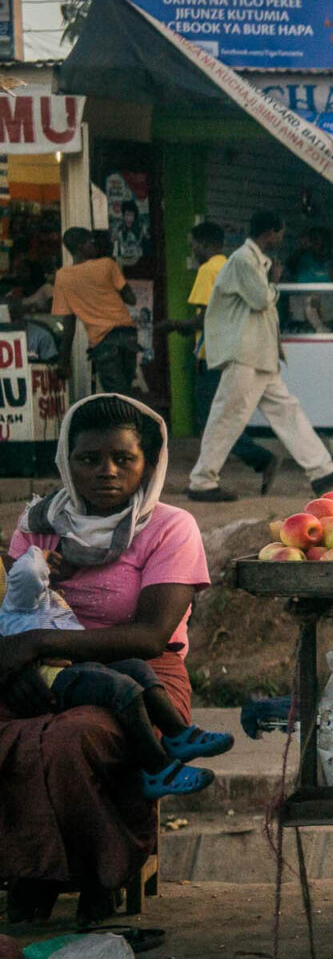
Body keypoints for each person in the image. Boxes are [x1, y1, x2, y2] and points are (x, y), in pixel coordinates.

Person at [0, 394, 214, 923]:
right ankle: (31, 871)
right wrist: (22, 667)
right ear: (66, 462)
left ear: (149, 463)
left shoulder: (170, 527)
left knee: (75, 738)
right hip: (44, 670)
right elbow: (13, 608)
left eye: (124, 459)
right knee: (16, 733)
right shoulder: (37, 524)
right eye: (89, 459)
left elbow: (148, 636)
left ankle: (99, 873)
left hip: (142, 681)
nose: (107, 472)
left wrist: (39, 646)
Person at [186, 211, 333, 503]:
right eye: (280, 234)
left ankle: (323, 470)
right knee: (226, 418)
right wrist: (274, 280)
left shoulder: (251, 260)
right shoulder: (243, 260)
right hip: (246, 354)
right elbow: (261, 299)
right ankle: (201, 482)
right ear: (271, 232)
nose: (281, 239)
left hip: (259, 355)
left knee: (287, 412)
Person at [162, 222, 278, 490]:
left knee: (215, 419)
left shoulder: (207, 270)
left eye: (194, 246)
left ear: (204, 245)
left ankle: (252, 461)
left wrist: (173, 326)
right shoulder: (232, 265)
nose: (194, 251)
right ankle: (213, 474)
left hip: (210, 355)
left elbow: (204, 318)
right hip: (230, 352)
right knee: (225, 415)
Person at [52, 227, 140, 395]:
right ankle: (131, 420)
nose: (95, 246)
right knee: (126, 391)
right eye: (91, 242)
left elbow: (69, 323)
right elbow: (131, 299)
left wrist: (64, 362)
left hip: (103, 340)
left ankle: (125, 420)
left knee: (117, 394)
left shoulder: (63, 277)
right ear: (80, 247)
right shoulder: (107, 264)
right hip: (127, 333)